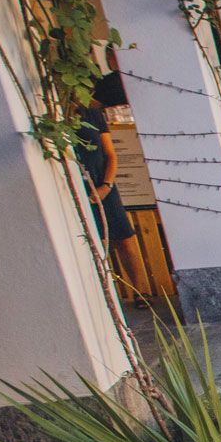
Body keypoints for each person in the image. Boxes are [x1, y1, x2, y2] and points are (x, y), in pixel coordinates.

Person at [74, 74, 154, 300]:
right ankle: (106, 298)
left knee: (124, 238)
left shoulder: (93, 115)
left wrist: (106, 185)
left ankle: (142, 293)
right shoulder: (62, 118)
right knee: (95, 243)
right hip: (81, 188)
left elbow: (110, 153)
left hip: (103, 183)